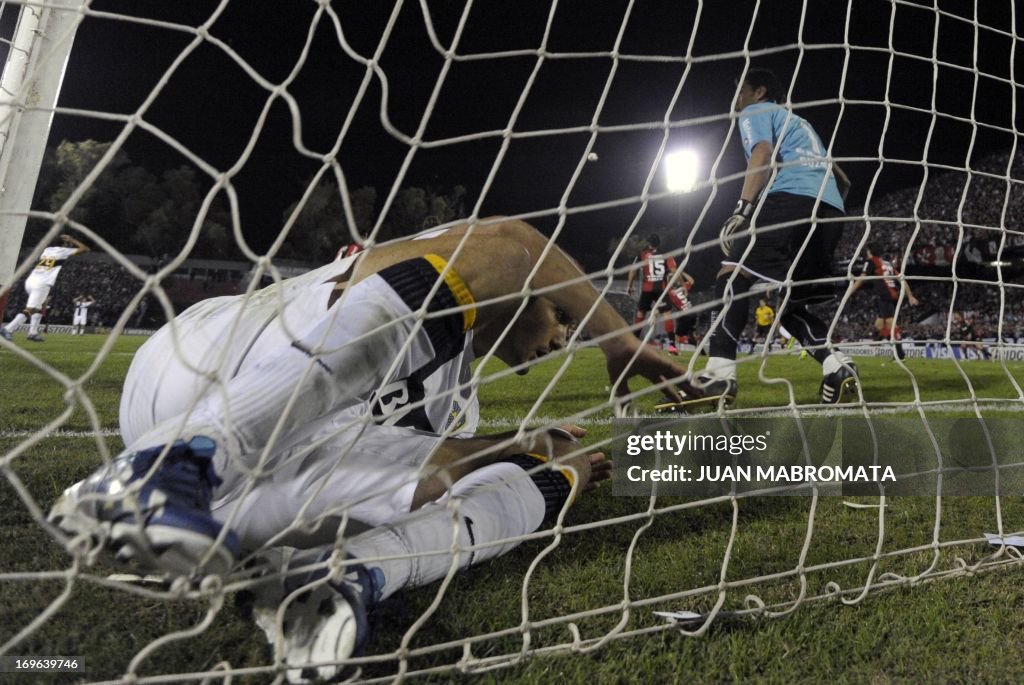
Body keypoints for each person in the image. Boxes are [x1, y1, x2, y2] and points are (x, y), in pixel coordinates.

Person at [49, 218, 684, 683]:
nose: (562, 335)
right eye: (560, 315)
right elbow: (519, 244)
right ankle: (171, 461)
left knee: (556, 464)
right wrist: (618, 340)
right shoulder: (414, 272)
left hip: (251, 501)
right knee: (501, 259)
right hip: (203, 369)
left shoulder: (461, 402)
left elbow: (429, 465)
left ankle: (346, 578)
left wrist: (515, 444)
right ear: (522, 304)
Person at [684, 67, 855, 406]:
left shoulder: (756, 111)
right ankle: (837, 366)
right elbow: (843, 180)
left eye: (740, 89)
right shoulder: (802, 126)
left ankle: (719, 374)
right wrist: (818, 215)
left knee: (731, 273)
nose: (737, 98)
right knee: (790, 306)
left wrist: (743, 209)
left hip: (790, 201)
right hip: (832, 211)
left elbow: (761, 153)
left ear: (759, 92)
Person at [1, 234, 89, 343]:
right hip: (42, 284)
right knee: (30, 309)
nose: (70, 245)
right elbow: (85, 249)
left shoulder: (47, 250)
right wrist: (73, 240)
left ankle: (33, 333)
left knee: (39, 307)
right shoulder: (63, 251)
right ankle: (8, 329)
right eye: (68, 243)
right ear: (64, 244)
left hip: (31, 280)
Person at [626, 233, 694, 353]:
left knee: (641, 314)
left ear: (648, 243)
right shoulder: (666, 254)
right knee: (667, 314)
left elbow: (633, 269)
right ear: (659, 243)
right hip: (661, 290)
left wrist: (629, 285)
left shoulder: (642, 253)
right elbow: (674, 270)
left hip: (647, 288)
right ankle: (672, 346)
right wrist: (682, 284)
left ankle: (633, 342)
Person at [849, 244, 919, 359]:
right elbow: (902, 279)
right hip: (892, 294)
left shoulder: (871, 261)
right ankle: (895, 348)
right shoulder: (887, 263)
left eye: (867, 251)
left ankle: (900, 354)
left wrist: (850, 292)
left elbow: (862, 277)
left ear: (870, 251)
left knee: (891, 323)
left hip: (884, 295)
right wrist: (910, 296)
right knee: (879, 325)